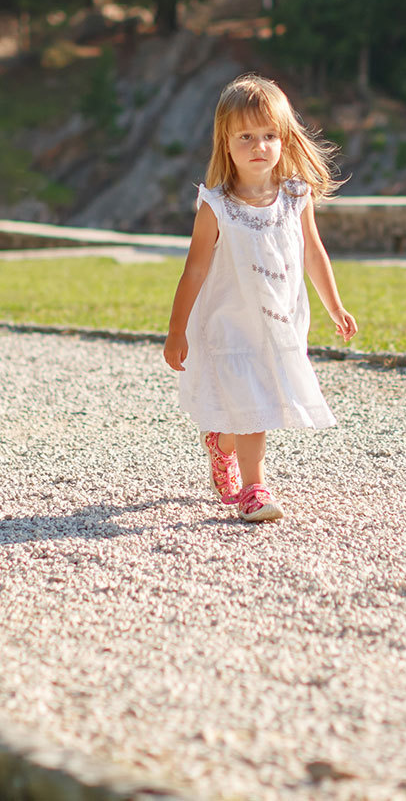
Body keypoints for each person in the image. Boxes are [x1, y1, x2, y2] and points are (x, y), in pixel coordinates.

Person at [163, 74, 358, 522]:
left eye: (269, 135)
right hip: (230, 325)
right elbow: (193, 270)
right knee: (254, 406)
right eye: (246, 136)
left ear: (285, 138)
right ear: (226, 144)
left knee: (258, 402)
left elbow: (313, 251)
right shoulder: (216, 206)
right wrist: (176, 330)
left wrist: (334, 305)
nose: (259, 146)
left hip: (278, 321)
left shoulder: (295, 196)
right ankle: (255, 488)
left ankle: (221, 442)